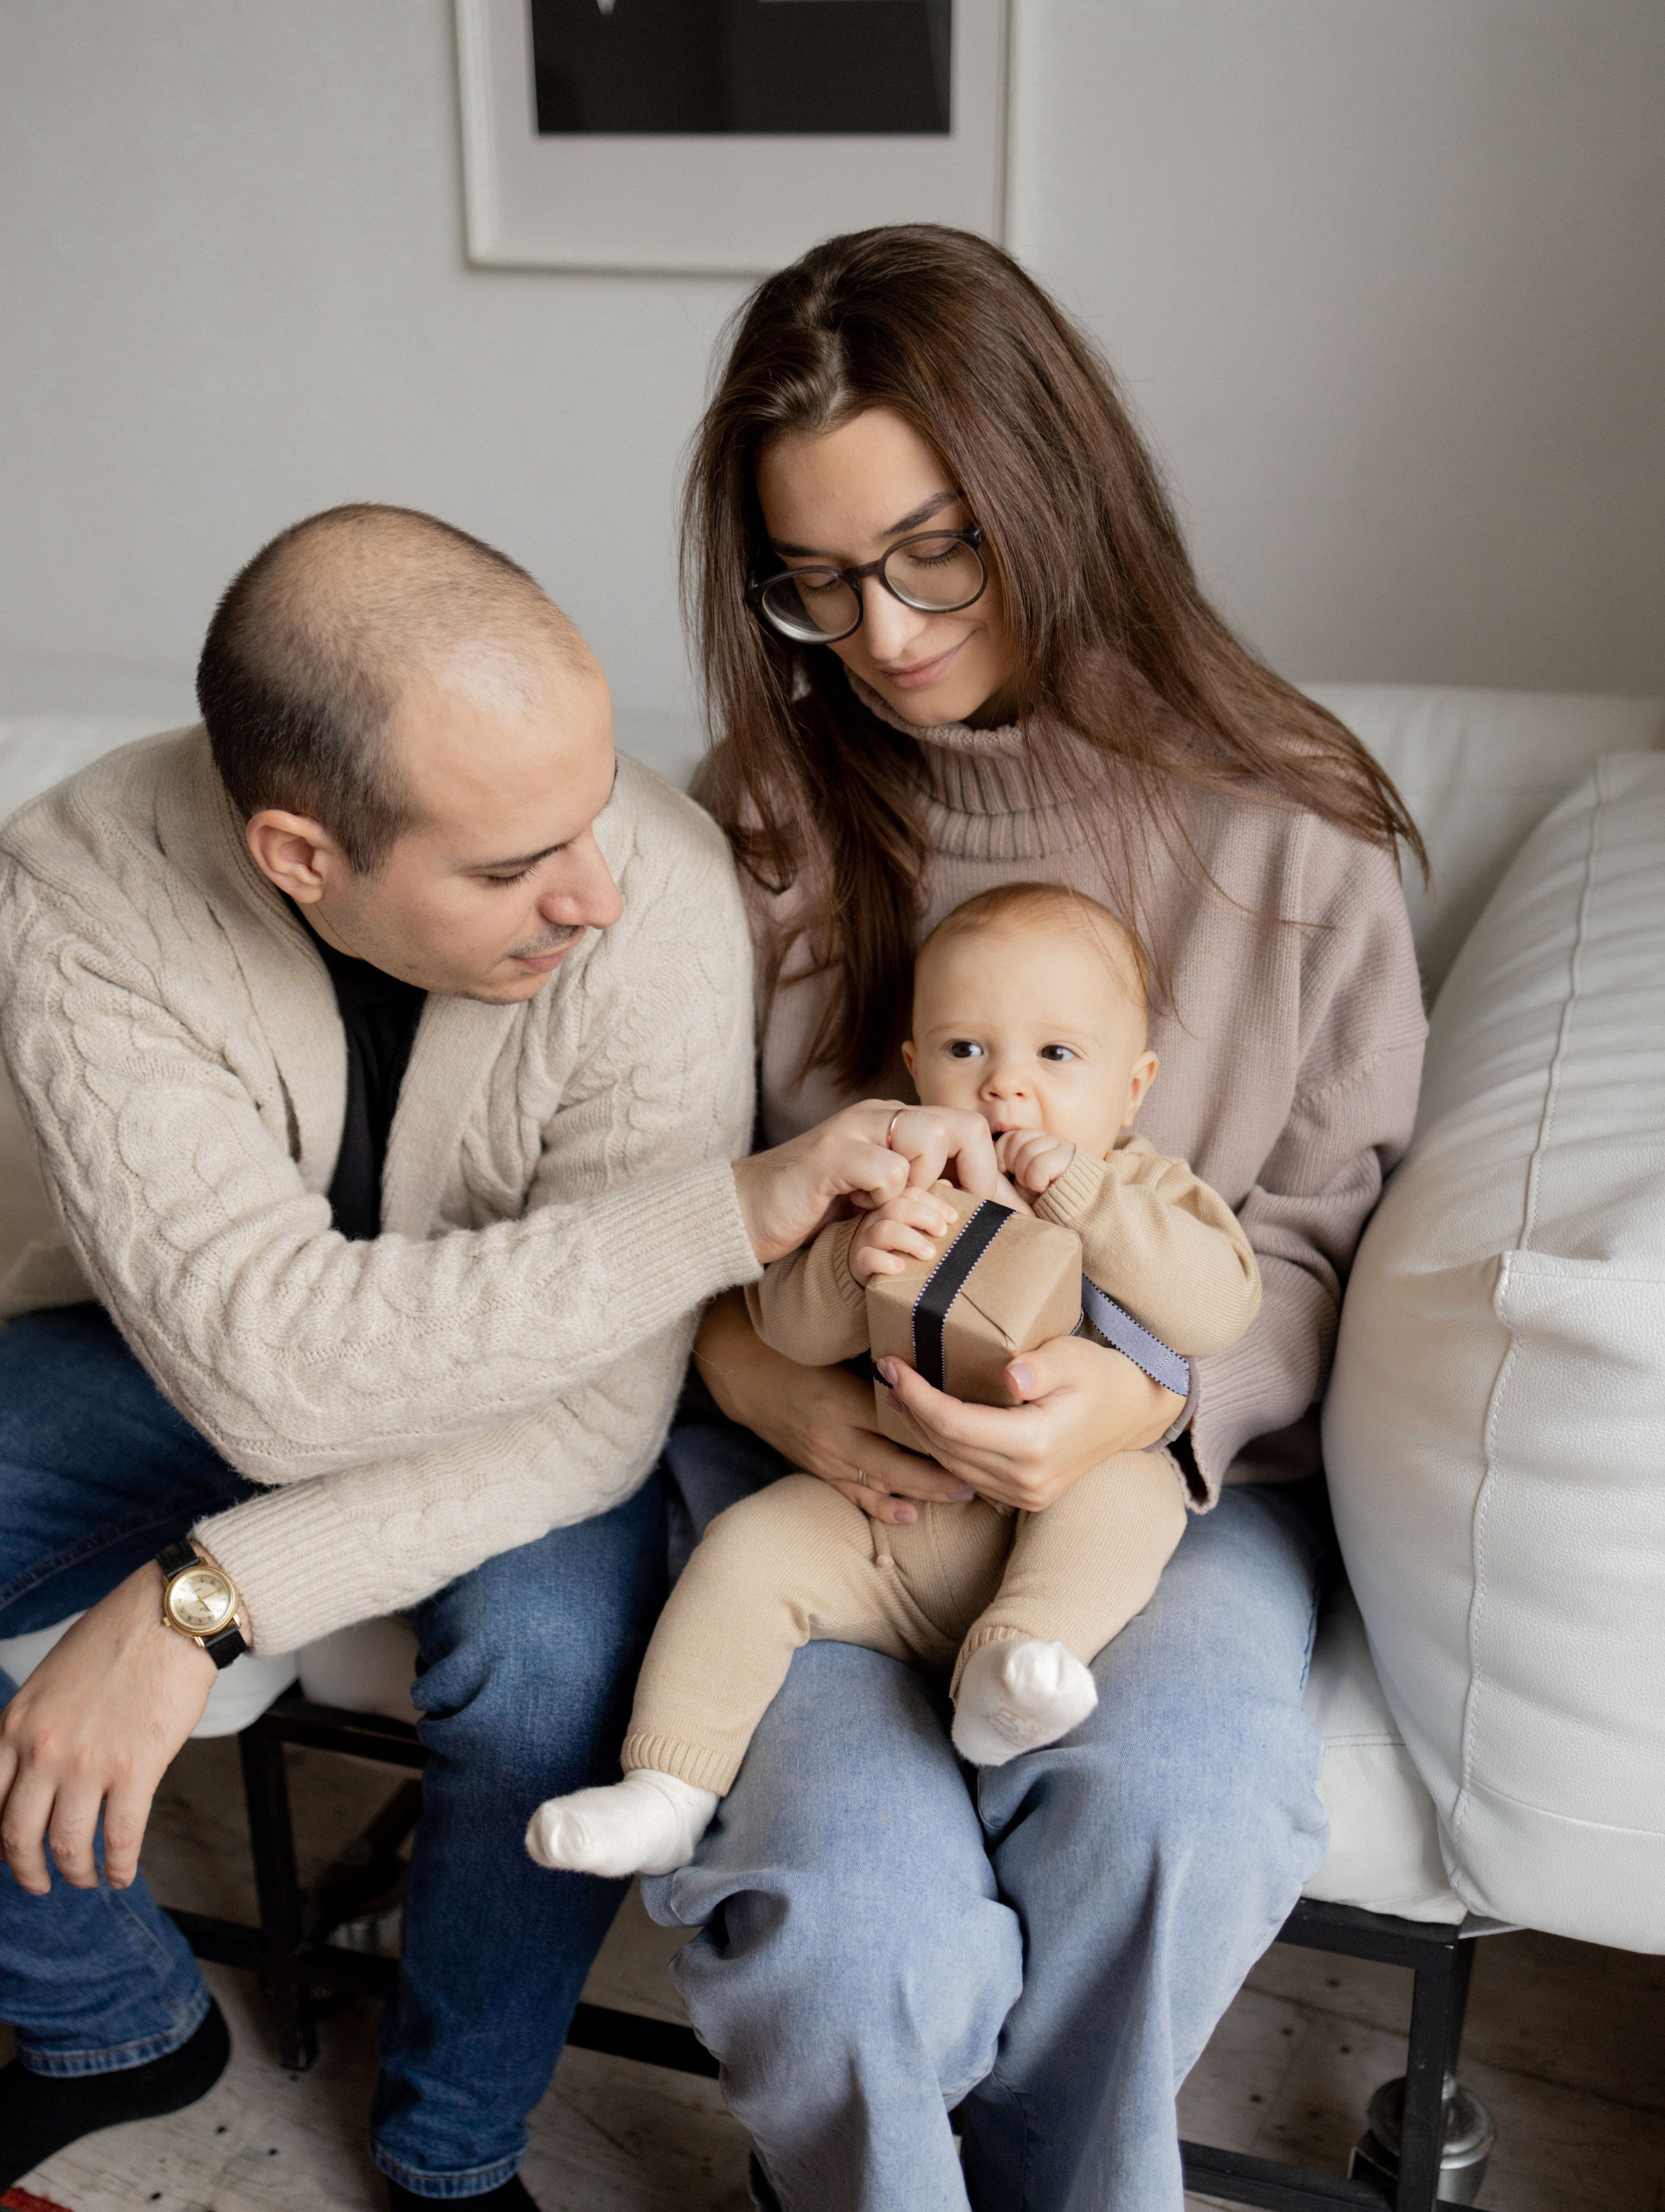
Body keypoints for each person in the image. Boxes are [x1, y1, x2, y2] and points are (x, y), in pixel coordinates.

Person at [0, 503, 1004, 2207]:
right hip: (179, 1358)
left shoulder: (657, 891)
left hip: (540, 1413)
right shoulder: (77, 891)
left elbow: (602, 1420)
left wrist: (200, 1601)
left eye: (592, 807)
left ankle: (451, 2156)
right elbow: (269, 1373)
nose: (596, 892)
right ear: (303, 856)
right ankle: (101, 2011)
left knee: (544, 1668)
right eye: (506, 869)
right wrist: (721, 1213)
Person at [639, 225, 1431, 2212]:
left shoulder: (1296, 836)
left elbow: (1333, 1237)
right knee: (845, 1932)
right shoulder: (751, 831)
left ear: (1055, 494)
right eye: (814, 583)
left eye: (934, 552)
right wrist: (775, 1381)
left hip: (1175, 1498)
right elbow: (643, 1222)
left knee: (1172, 1812)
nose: (885, 635)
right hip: (836, 1486)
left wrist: (1139, 1405)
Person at [524, 880, 1261, 1878]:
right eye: (967, 1050)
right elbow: (783, 1325)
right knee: (748, 1546)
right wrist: (854, 1258)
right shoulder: (892, 1177)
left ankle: (1019, 1661)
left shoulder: (1143, 1189)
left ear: (1133, 1087)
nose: (1006, 1088)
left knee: (1136, 1489)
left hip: (1052, 1521)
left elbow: (1218, 1308)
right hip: (893, 1522)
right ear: (915, 1066)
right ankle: (669, 1787)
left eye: (1056, 1056)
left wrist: (1086, 1199)